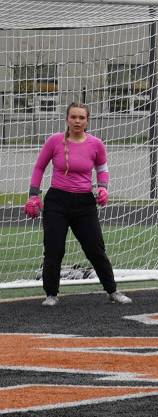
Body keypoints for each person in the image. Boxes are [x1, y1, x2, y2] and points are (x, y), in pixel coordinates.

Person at [24, 102, 132, 306]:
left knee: (95, 249)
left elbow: (102, 168)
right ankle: (51, 294)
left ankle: (112, 290)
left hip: (84, 203)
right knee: (54, 249)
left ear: (87, 121)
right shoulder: (54, 141)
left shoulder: (96, 144)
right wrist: (33, 195)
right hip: (57, 201)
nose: (77, 121)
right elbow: (39, 167)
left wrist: (103, 188)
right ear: (67, 119)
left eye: (81, 118)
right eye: (73, 117)